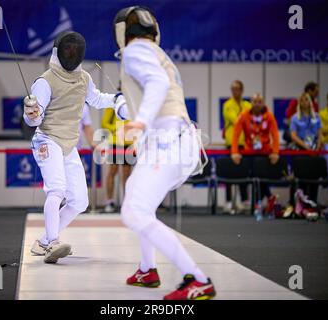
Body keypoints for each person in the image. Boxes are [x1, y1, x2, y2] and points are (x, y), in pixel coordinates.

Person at [113, 6, 216, 300]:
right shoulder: (159, 54)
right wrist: (142, 133)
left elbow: (157, 85)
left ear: (123, 32)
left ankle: (198, 279)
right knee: (135, 195)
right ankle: (148, 270)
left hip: (169, 142)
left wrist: (140, 122)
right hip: (176, 141)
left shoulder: (135, 51)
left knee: (133, 211)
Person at [23, 31, 128, 264]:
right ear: (58, 51)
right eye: (67, 49)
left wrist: (118, 101)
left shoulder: (84, 79)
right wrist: (31, 115)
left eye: (74, 49)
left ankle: (42, 242)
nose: (71, 53)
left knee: (80, 201)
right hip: (47, 140)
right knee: (57, 189)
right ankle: (52, 242)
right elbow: (33, 118)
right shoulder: (45, 81)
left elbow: (97, 99)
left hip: (69, 145)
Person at [231, 93, 279, 212]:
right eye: (255, 101)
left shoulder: (269, 116)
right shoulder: (244, 115)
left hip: (265, 153)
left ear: (263, 103)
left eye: (260, 101)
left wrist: (275, 152)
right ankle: (263, 199)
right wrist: (235, 152)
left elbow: (275, 135)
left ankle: (258, 202)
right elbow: (235, 135)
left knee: (261, 177)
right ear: (251, 102)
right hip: (249, 152)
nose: (257, 104)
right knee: (250, 175)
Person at [222, 80, 251, 213]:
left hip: (244, 144)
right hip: (231, 143)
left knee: (243, 173)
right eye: (233, 89)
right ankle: (228, 201)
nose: (235, 91)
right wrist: (245, 118)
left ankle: (243, 201)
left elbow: (249, 120)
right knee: (229, 173)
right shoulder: (227, 105)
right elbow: (237, 120)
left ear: (242, 90)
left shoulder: (247, 105)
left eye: (238, 89)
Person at [101, 106, 133, 213]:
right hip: (115, 142)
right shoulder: (114, 104)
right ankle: (109, 201)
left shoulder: (132, 101)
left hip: (129, 142)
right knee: (113, 170)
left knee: (127, 173)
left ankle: (127, 201)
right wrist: (119, 128)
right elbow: (104, 123)